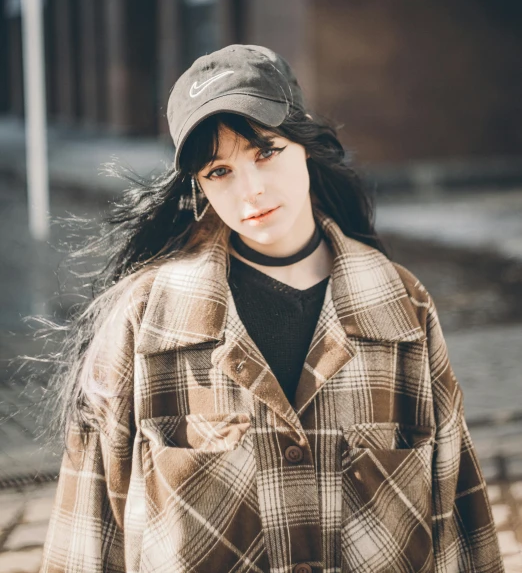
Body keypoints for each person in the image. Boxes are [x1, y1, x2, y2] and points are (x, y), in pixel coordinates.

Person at [40, 45, 503, 573]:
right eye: (219, 171)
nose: (251, 190)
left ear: (304, 145)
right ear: (198, 188)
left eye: (266, 152)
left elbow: (460, 523)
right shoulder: (145, 322)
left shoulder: (402, 307)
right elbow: (88, 532)